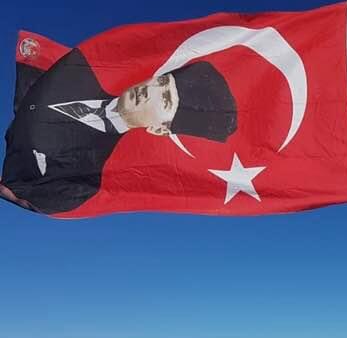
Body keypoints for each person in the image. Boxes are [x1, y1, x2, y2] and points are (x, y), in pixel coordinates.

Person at [3, 48, 237, 215]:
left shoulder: (89, 179)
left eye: (165, 99)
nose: (151, 91)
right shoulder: (75, 68)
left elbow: (36, 193)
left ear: (159, 129)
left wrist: (17, 188)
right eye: (163, 82)